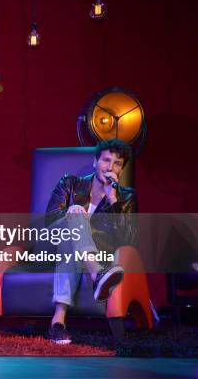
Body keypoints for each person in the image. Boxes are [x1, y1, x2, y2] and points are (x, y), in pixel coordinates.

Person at [45, 139, 137, 344]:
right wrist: (71, 211)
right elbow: (49, 220)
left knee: (70, 243)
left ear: (121, 169)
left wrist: (113, 199)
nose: (110, 167)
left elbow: (127, 239)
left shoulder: (126, 198)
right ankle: (97, 275)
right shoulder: (70, 183)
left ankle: (57, 322)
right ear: (95, 161)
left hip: (93, 250)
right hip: (56, 239)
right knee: (75, 218)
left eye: (117, 163)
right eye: (106, 160)